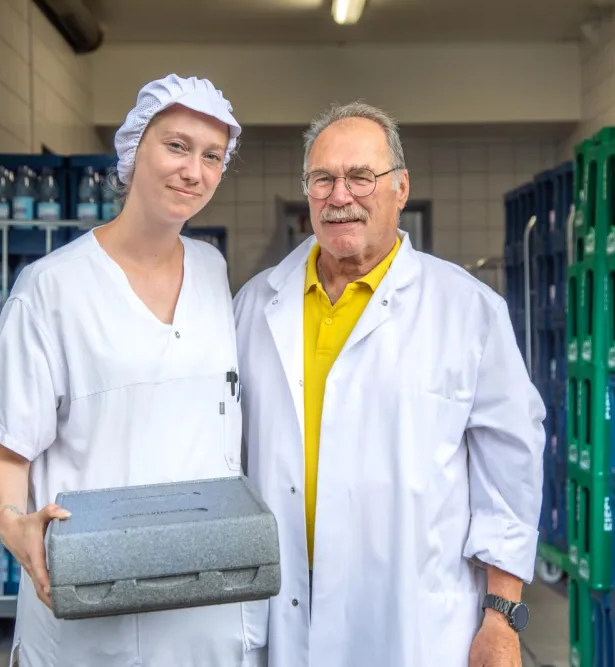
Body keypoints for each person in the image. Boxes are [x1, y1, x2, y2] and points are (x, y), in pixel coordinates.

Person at [0, 74, 268, 667]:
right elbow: (2, 459)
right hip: (91, 606)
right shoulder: (52, 287)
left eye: (212, 157)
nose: (194, 171)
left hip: (206, 600)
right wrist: (14, 524)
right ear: (133, 151)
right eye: (177, 146)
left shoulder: (212, 269)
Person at [232, 101, 546, 667]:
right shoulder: (255, 305)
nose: (340, 196)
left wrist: (502, 617)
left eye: (361, 176)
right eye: (322, 179)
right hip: (286, 608)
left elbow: (510, 468)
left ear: (401, 188)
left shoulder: (466, 309)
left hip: (413, 617)